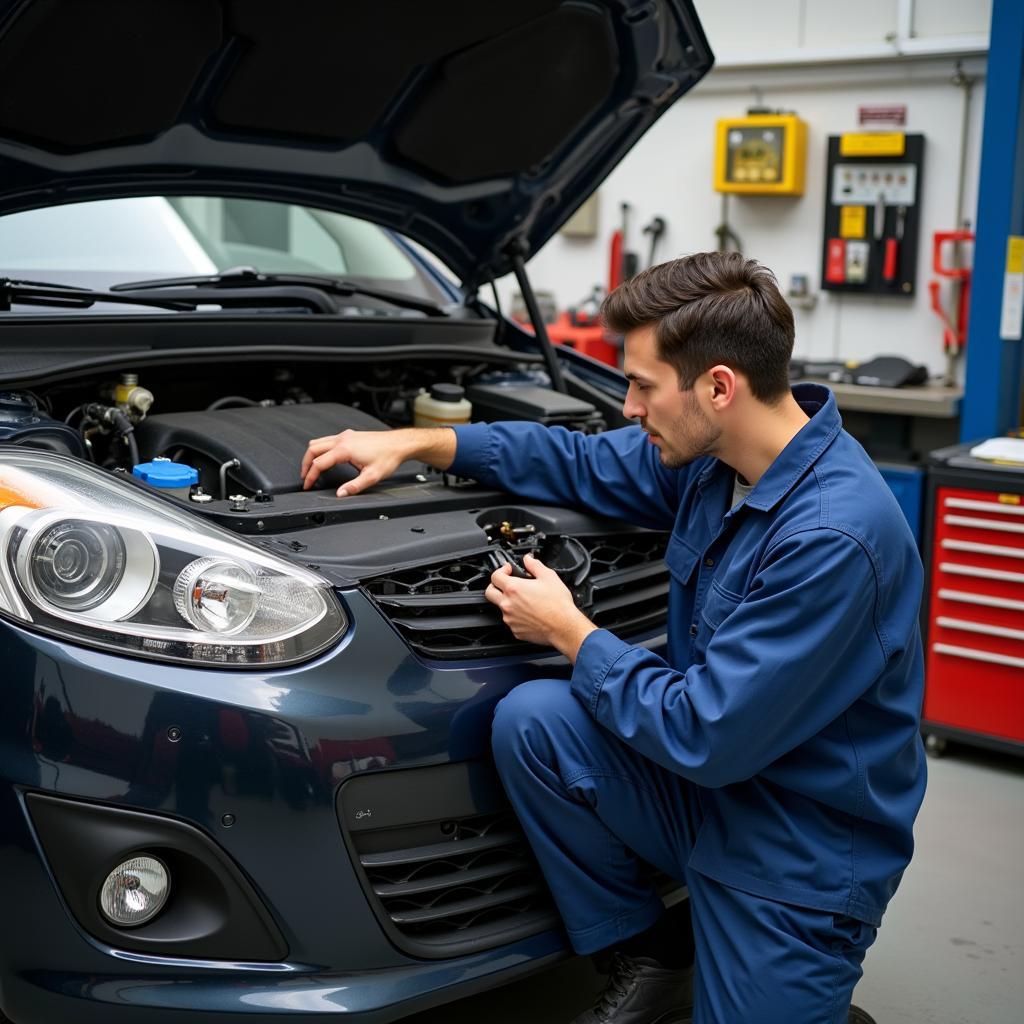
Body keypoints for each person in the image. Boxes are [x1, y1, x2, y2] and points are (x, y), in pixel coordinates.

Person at [301, 252, 927, 1024]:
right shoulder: (718, 458)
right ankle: (656, 954)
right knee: (537, 723)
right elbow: (579, 459)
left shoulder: (834, 537)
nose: (628, 407)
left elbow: (707, 732)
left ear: (719, 387)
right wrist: (418, 444)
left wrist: (571, 631)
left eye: (641, 385)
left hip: (796, 855)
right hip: (713, 801)